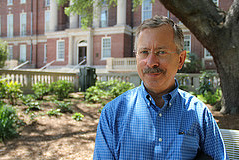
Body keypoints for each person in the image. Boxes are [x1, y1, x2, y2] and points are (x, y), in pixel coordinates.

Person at [93, 15, 227, 160]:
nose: (151, 62)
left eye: (161, 52)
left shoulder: (200, 115)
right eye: (144, 52)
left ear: (180, 59)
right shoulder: (112, 114)